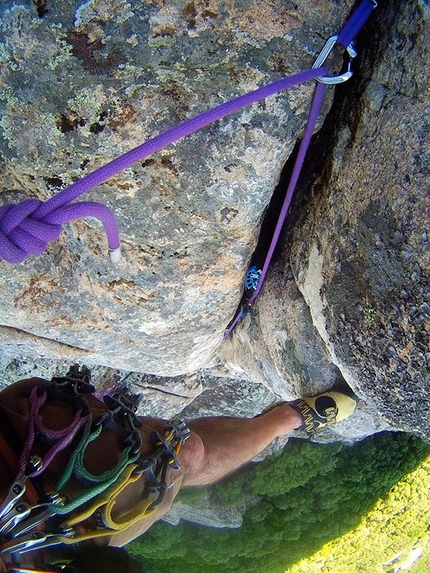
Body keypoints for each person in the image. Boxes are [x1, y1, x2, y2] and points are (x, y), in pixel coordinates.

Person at [0, 367, 357, 573]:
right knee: (184, 455)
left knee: (162, 451)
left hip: (17, 453)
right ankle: (286, 419)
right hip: (49, 539)